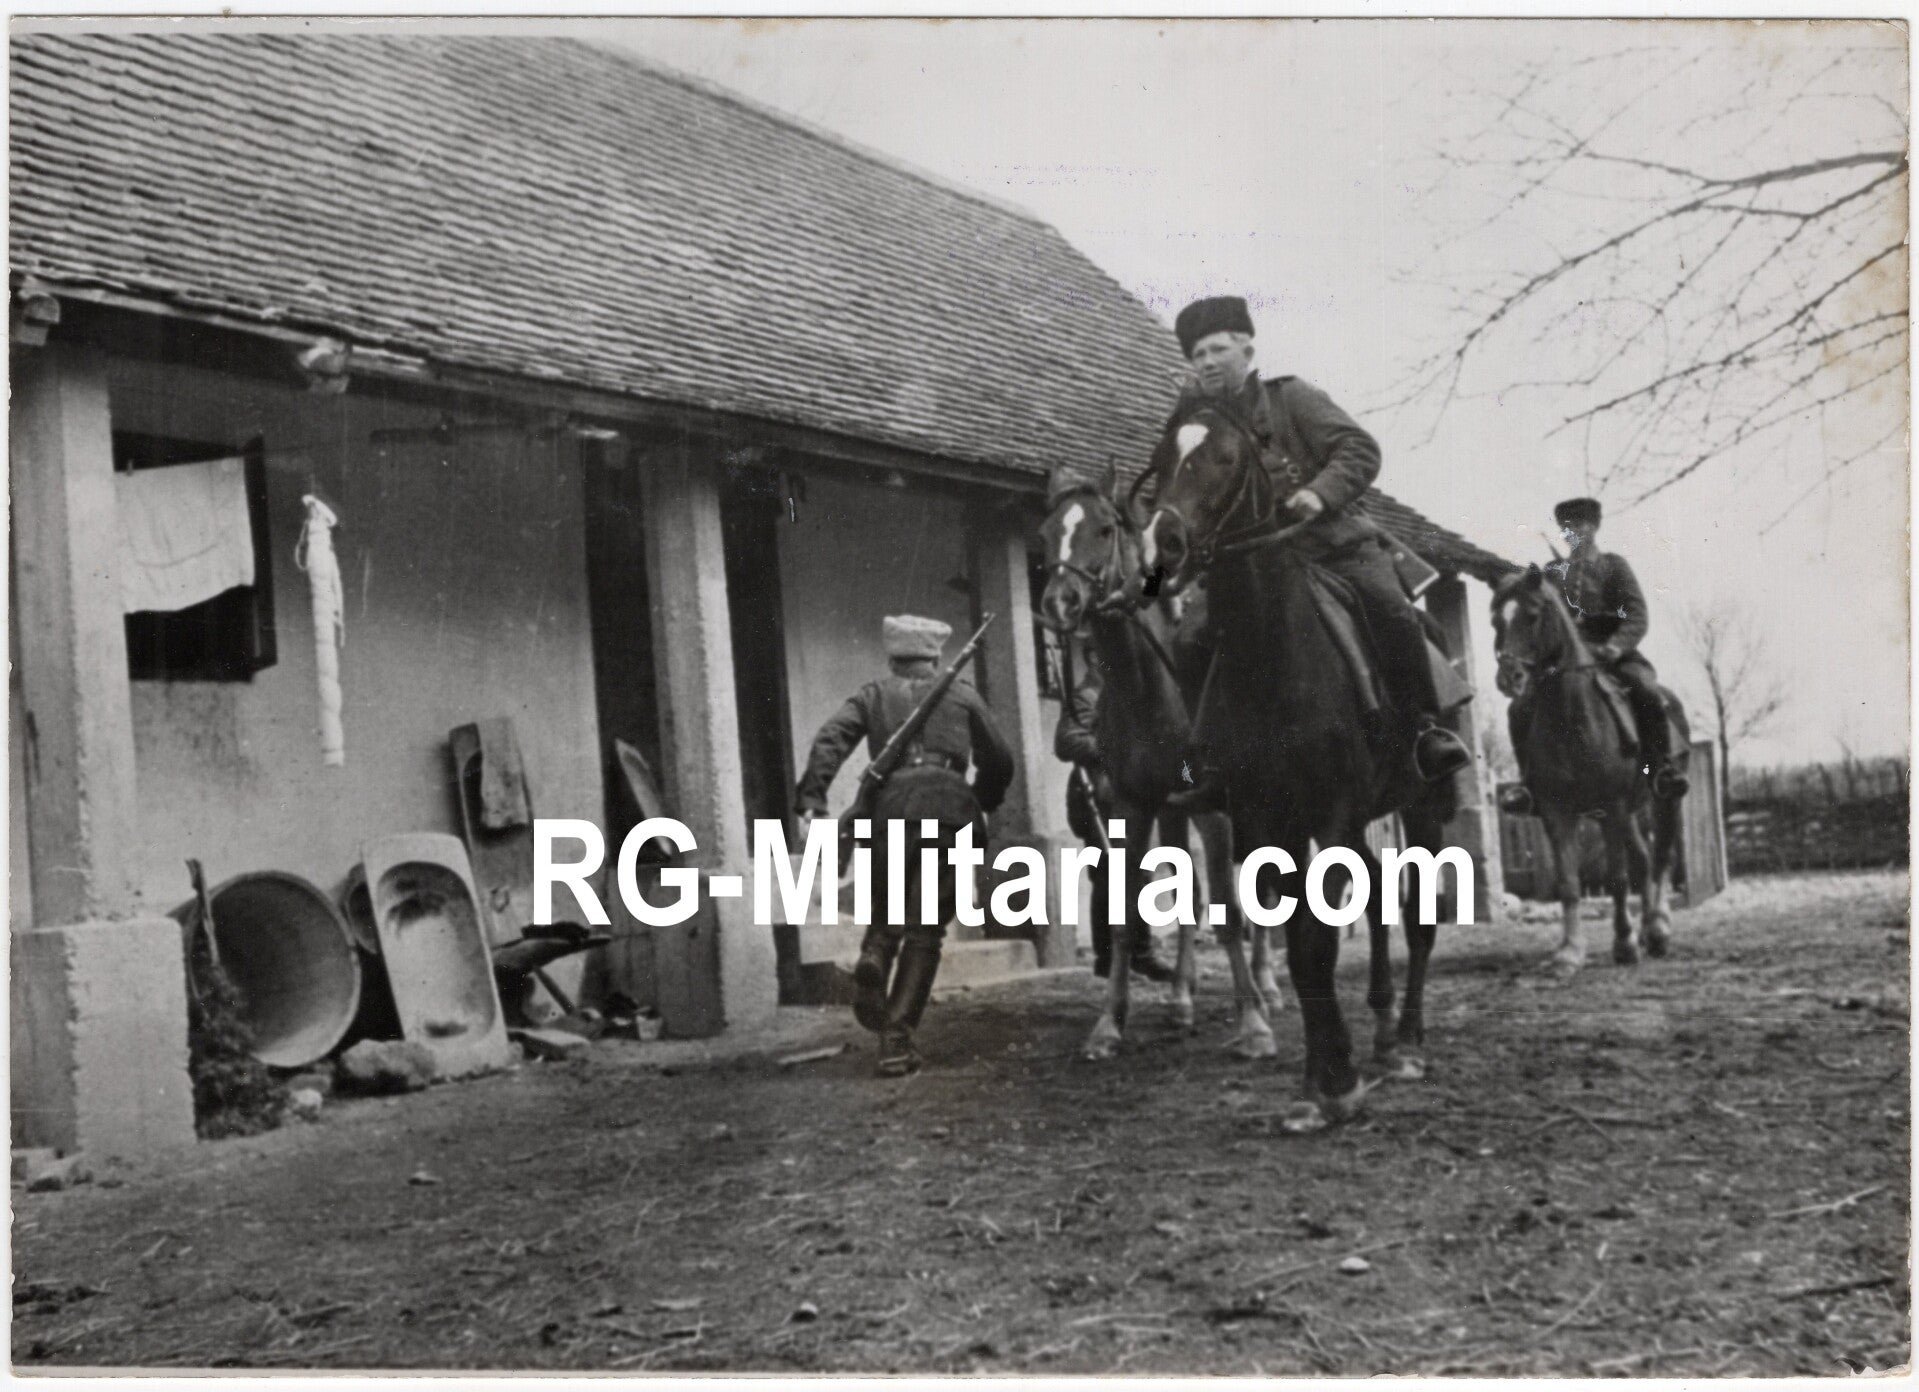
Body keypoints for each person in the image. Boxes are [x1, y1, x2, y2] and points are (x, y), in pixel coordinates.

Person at [1164, 295, 1471, 797]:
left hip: (1334, 547)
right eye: (1197, 356)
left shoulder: (1292, 398)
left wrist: (1319, 493)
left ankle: (1422, 733)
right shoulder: (1198, 421)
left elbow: (1359, 449)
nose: (1207, 362)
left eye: (1217, 349)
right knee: (1189, 638)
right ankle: (1206, 756)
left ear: (1246, 348)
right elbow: (1178, 483)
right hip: (1247, 565)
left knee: (1392, 612)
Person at [794, 615, 1015, 1077]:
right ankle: (896, 1040)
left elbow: (831, 738)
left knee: (890, 911)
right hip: (950, 811)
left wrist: (813, 796)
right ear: (935, 658)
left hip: (890, 809)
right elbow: (1000, 758)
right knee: (925, 929)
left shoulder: (873, 694)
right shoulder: (963, 694)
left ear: (893, 658)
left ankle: (874, 955)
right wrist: (983, 799)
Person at [1500, 498, 1690, 812]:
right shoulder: (1552, 573)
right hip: (1561, 662)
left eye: (1579, 525)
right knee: (1519, 708)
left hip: (1613, 655)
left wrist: (1616, 645)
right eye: (1566, 527)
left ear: (1594, 527)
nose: (1572, 531)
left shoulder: (1613, 566)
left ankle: (1660, 769)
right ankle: (1528, 784)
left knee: (1644, 687)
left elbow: (1637, 616)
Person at [1051, 633, 1176, 983]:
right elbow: (1067, 741)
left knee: (1135, 870)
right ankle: (1108, 961)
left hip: (1126, 794)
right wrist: (1119, 750)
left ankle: (1140, 952)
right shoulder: (1089, 695)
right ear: (1093, 657)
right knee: (1110, 873)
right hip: (1100, 799)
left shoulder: (1122, 696)